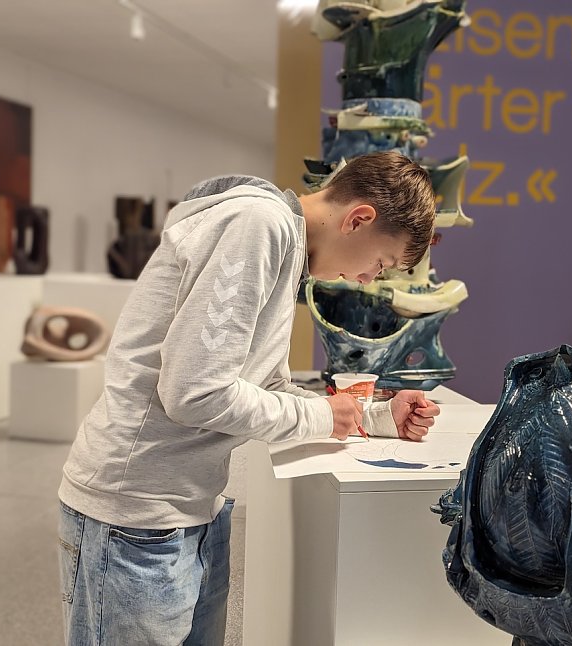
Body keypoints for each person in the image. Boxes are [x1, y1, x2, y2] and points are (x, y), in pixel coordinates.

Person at [57, 150, 442, 645]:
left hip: (189, 509)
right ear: (359, 218)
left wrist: (372, 414)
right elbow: (195, 393)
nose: (368, 278)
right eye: (381, 262)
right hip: (136, 514)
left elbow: (264, 385)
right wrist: (322, 417)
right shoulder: (258, 224)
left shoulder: (283, 245)